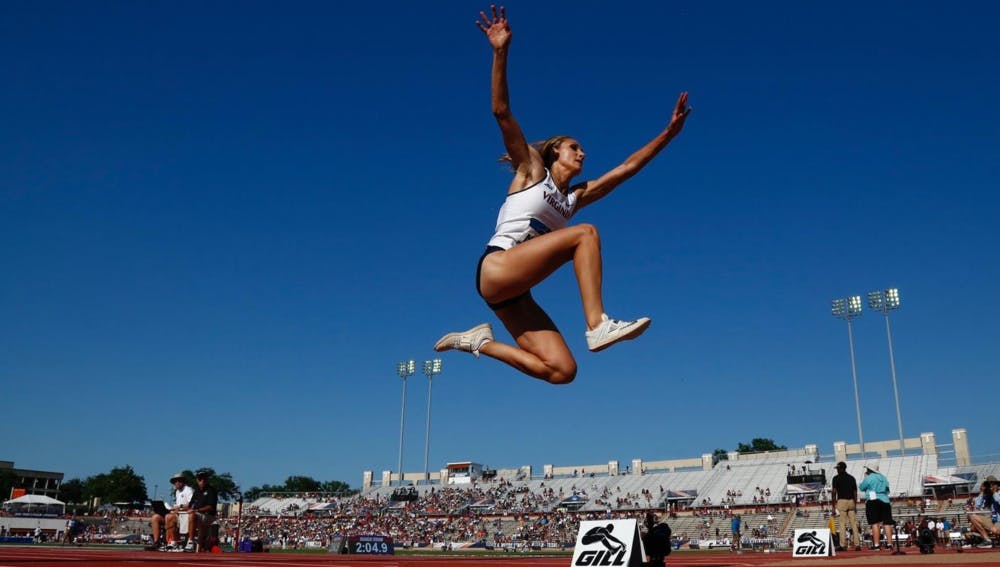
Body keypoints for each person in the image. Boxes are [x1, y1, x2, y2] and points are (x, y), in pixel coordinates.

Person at [433, 5, 691, 384]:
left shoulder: (573, 198)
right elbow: (502, 112)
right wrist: (500, 52)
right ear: (555, 151)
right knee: (584, 234)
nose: (582, 154)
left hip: (511, 295)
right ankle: (597, 323)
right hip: (497, 268)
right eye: (575, 147)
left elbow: (626, 169)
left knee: (562, 371)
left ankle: (478, 343)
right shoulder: (531, 171)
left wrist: (667, 136)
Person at [146, 472, 195, 551]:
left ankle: (172, 541)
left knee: (169, 516)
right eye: (175, 481)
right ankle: (156, 542)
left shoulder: (188, 490)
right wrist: (172, 508)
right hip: (177, 514)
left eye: (179, 481)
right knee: (155, 517)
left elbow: (190, 504)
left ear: (183, 481)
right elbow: (177, 506)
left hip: (184, 515)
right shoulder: (177, 492)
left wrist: (178, 507)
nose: (176, 483)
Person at [858, 464, 893, 550]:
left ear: (870, 470)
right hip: (885, 500)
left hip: (873, 500)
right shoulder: (884, 477)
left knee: (875, 523)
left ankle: (876, 544)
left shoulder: (869, 477)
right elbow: (887, 490)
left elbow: (862, 487)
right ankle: (889, 544)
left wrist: (866, 477)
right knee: (887, 523)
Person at [831, 461, 861, 551]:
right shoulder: (852, 478)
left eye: (838, 468)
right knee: (854, 524)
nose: (837, 470)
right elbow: (855, 492)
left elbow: (834, 492)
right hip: (851, 501)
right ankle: (857, 544)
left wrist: (833, 506)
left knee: (842, 524)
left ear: (841, 468)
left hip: (842, 501)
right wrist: (855, 504)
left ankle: (842, 545)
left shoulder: (836, 478)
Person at [189, 471, 219, 551]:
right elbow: (190, 505)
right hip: (197, 514)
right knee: (171, 516)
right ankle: (174, 543)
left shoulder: (211, 490)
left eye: (204, 479)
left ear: (207, 480)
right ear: (197, 480)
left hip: (208, 516)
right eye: (200, 479)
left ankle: (190, 542)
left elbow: (211, 507)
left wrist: (196, 510)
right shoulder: (196, 491)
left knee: (192, 515)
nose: (202, 481)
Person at [967, 475, 1000, 548]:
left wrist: (994, 493)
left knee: (996, 531)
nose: (991, 486)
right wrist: (982, 492)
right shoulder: (987, 494)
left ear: (997, 485)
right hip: (991, 519)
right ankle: (987, 540)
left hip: (998, 519)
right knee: (972, 516)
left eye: (993, 484)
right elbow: (978, 505)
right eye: (989, 484)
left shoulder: (998, 493)